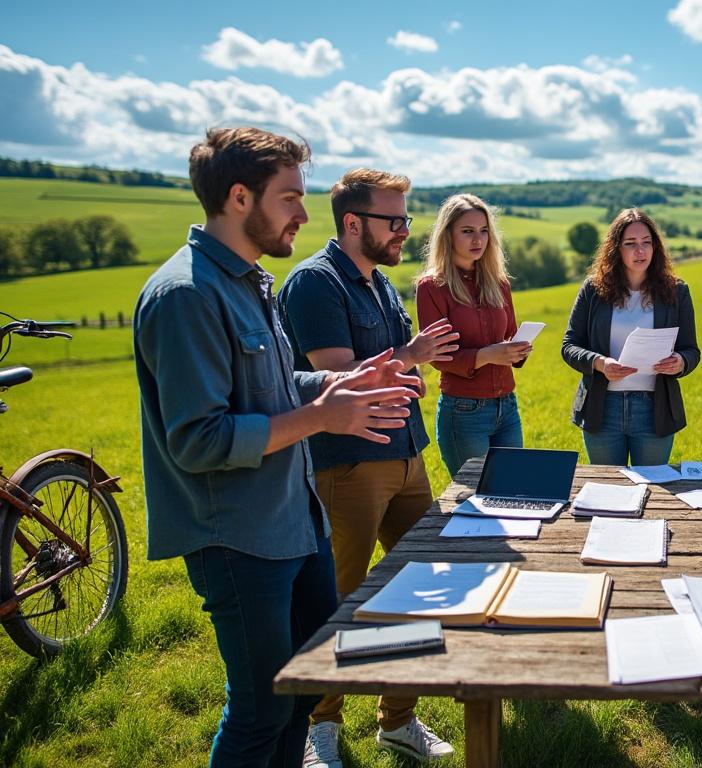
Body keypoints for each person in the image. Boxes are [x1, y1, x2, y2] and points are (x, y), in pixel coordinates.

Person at [134, 127, 422, 768]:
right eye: (290, 197)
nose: (302, 212)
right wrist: (323, 415)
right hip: (237, 537)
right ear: (240, 197)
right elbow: (200, 438)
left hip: (296, 521)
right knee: (261, 706)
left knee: (304, 685)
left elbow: (273, 384)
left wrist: (339, 381)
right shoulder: (186, 295)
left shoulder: (250, 282)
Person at [277, 169, 459, 766]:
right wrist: (408, 359)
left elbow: (402, 375)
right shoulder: (314, 284)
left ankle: (397, 718)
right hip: (349, 465)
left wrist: (411, 370)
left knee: (422, 587)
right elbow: (341, 378)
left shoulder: (380, 283)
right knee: (341, 599)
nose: (406, 230)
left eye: (407, 218)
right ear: (353, 223)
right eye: (395, 220)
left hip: (407, 456)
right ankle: (320, 726)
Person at [561, 209, 700, 465]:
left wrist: (680, 362)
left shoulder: (677, 291)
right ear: (616, 249)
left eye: (647, 242)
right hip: (603, 409)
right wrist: (600, 364)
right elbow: (569, 346)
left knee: (654, 490)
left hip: (653, 409)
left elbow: (691, 350)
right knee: (607, 491)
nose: (640, 251)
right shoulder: (593, 290)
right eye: (631, 244)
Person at [415, 194, 531, 477]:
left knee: (514, 490)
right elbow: (437, 356)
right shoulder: (432, 287)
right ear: (448, 235)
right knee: (475, 499)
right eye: (467, 231)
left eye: (483, 231)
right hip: (464, 411)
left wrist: (518, 350)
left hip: (507, 405)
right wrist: (485, 356)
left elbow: (510, 335)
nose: (477, 239)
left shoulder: (498, 283)